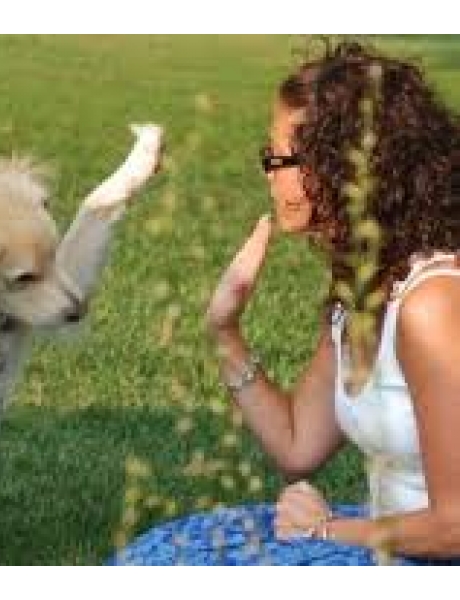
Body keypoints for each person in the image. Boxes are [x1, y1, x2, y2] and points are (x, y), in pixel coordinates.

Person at [111, 40, 460, 565]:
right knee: (162, 558)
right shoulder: (364, 285)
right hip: (393, 547)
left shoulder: (431, 303)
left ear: (339, 168)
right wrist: (226, 331)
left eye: (277, 159)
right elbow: (298, 446)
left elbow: (455, 527)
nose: (268, 174)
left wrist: (328, 532)